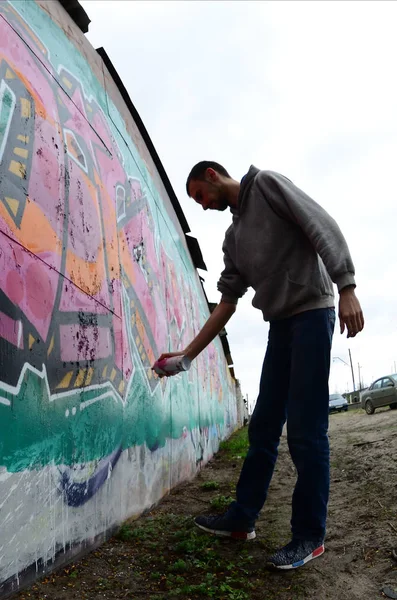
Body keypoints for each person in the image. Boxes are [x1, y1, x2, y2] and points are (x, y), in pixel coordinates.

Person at [156, 162, 364, 570]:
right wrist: (185, 357)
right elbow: (227, 303)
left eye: (200, 195)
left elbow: (322, 224)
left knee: (305, 430)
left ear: (213, 175)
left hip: (312, 313)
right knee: (264, 425)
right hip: (280, 326)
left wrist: (347, 286)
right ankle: (242, 518)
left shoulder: (266, 185)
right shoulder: (233, 239)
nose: (202, 206)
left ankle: (309, 536)